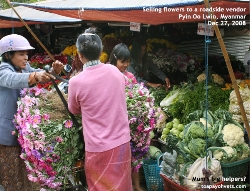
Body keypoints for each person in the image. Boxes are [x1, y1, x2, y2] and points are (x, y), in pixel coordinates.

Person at [68, 28, 132, 191]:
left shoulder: (76, 82)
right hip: (122, 143)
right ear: (101, 51)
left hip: (98, 147)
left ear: (80, 55)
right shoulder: (116, 72)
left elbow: (74, 110)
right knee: (122, 186)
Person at [0, 34, 64, 191]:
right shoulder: (3, 70)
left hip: (25, 135)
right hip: (7, 136)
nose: (26, 57)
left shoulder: (25, 68)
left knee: (29, 179)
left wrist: (54, 72)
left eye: (26, 54)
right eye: (21, 54)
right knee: (12, 179)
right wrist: (35, 76)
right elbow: (11, 79)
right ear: (8, 55)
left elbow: (38, 73)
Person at [110, 43, 148, 191]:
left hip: (131, 124)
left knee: (134, 157)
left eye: (128, 61)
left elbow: (137, 96)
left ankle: (137, 186)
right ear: (114, 59)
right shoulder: (109, 74)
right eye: (122, 61)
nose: (125, 65)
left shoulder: (130, 76)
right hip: (115, 124)